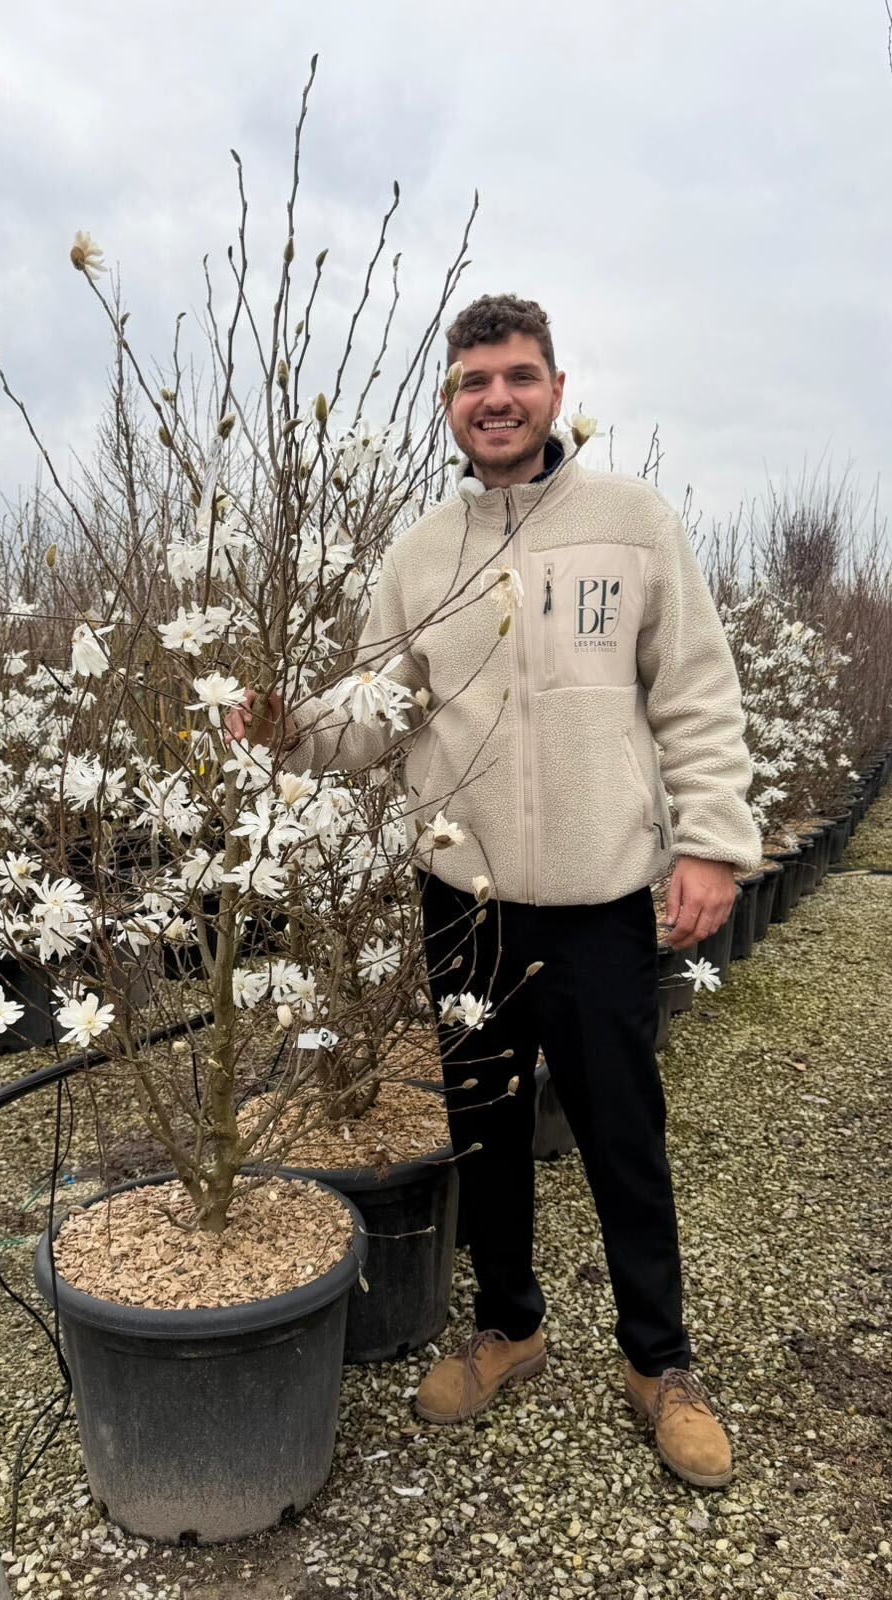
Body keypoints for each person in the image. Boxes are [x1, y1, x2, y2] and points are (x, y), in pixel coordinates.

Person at [225, 294, 761, 1490]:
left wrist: (712, 841)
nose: (497, 399)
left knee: (624, 1126)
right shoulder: (425, 553)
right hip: (465, 897)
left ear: (557, 391)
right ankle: (509, 1326)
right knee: (484, 1126)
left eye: (518, 376)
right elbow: (376, 710)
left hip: (603, 889)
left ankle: (659, 1360)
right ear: (451, 404)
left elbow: (696, 694)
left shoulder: (633, 526)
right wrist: (284, 730)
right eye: (474, 382)